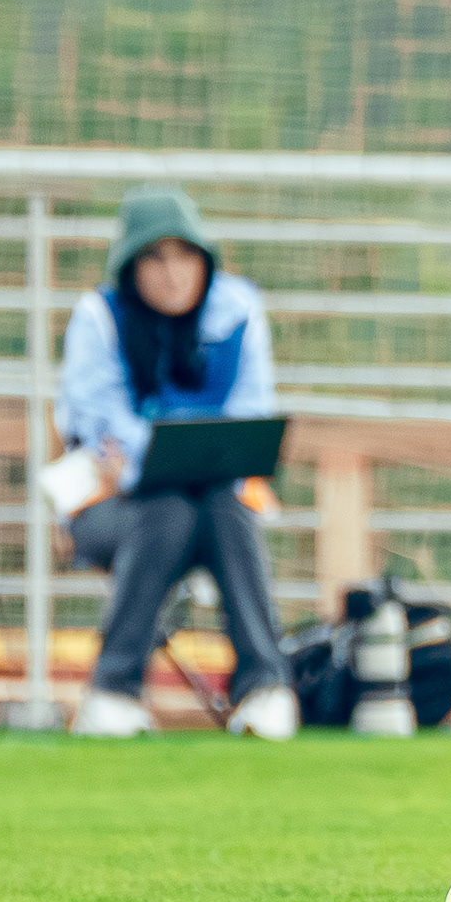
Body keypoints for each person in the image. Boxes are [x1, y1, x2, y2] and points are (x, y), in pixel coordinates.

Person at [57, 186, 298, 740]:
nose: (172, 274)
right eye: (155, 258)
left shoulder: (238, 310)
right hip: (110, 507)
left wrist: (157, 459)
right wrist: (149, 468)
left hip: (216, 504)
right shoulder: (99, 318)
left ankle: (265, 688)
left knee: (221, 507)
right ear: (130, 267)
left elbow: (249, 415)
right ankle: (112, 691)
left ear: (205, 261)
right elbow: (100, 423)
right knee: (167, 510)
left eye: (185, 256)